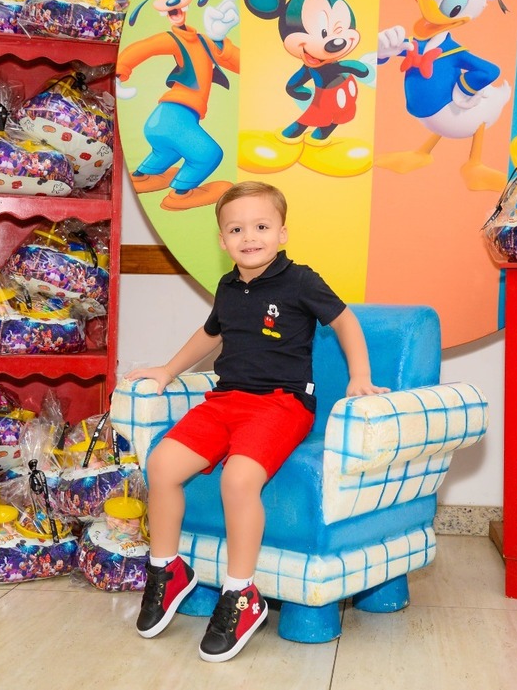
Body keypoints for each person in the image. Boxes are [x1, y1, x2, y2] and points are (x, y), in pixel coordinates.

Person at [126, 180, 388, 662]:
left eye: (261, 227)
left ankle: (242, 593)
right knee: (161, 465)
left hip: (281, 404)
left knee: (239, 478)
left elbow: (345, 321)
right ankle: (167, 570)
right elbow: (211, 333)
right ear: (223, 240)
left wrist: (360, 376)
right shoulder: (228, 286)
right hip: (226, 400)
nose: (249, 237)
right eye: (236, 229)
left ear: (282, 233)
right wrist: (167, 369)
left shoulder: (301, 280)